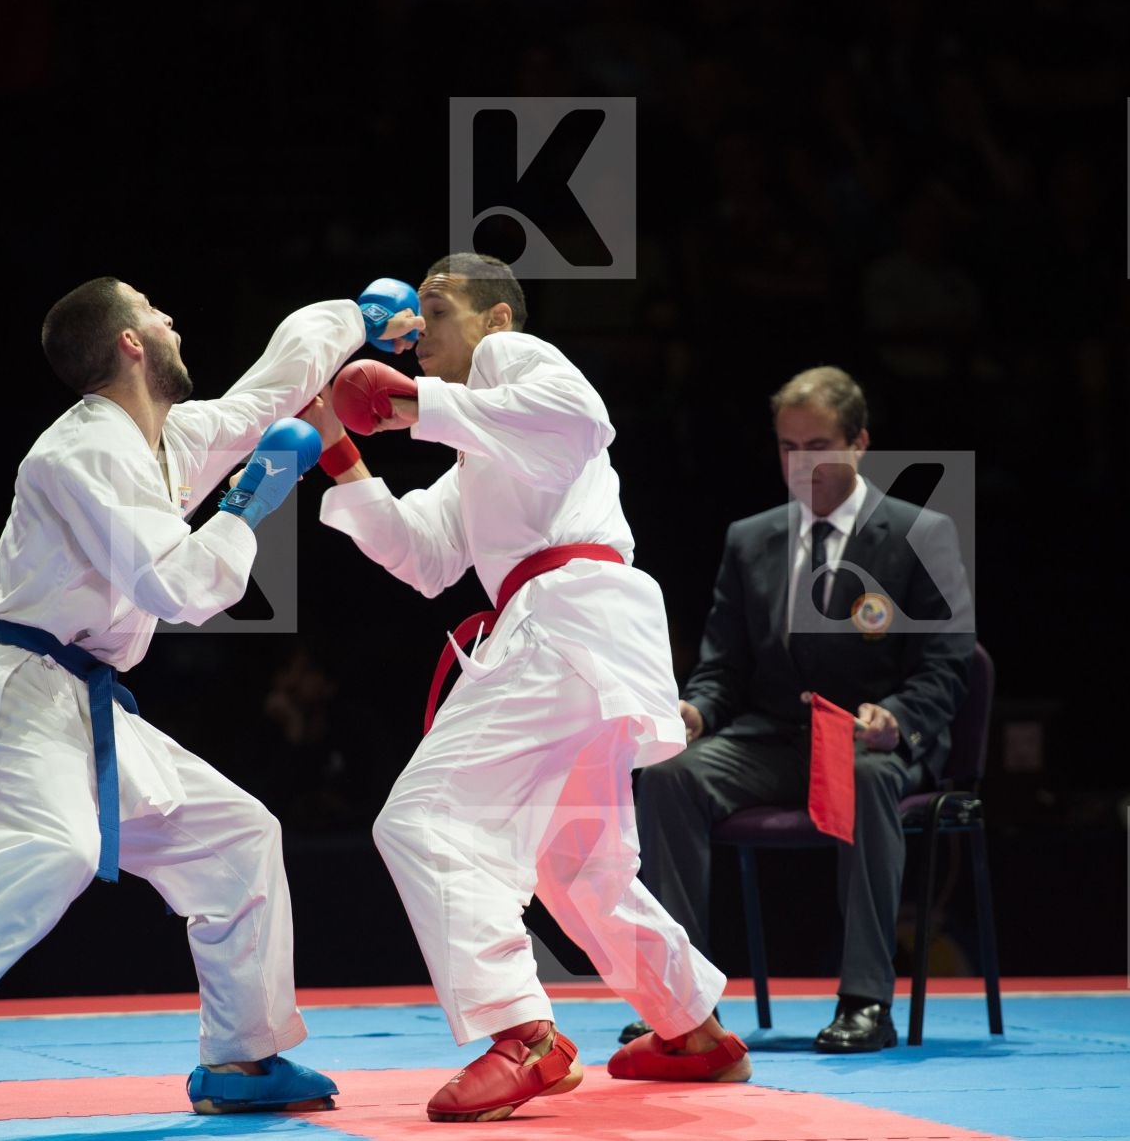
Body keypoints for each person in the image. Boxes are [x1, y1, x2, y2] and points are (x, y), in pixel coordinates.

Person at [0, 277, 418, 1140]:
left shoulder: (163, 440)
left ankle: (240, 1059)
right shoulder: (76, 453)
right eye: (155, 310)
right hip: (22, 695)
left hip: (91, 702)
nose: (173, 318)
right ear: (129, 343)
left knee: (238, 837)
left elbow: (271, 386)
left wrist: (358, 321)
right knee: (56, 847)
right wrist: (245, 507)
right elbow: (178, 586)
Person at [307, 253, 750, 1125]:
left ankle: (523, 1034)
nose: (417, 330)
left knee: (423, 819)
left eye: (437, 310)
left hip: (566, 619)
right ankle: (692, 1029)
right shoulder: (479, 450)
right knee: (576, 862)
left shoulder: (520, 360)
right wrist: (338, 447)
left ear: (496, 320)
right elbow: (425, 557)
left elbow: (578, 420)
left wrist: (408, 404)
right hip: (579, 630)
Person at [632, 365, 974, 1053]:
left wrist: (897, 717)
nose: (802, 463)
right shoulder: (750, 538)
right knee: (669, 776)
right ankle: (676, 1003)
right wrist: (695, 712)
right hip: (771, 741)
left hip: (863, 742)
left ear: (859, 443)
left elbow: (946, 663)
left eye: (818, 445)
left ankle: (865, 1001)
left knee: (868, 777)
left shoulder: (920, 533)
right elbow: (723, 666)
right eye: (789, 447)